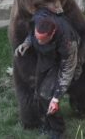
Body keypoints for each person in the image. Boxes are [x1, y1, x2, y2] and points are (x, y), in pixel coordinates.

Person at [15, 8, 81, 136]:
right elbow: (32, 35)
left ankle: (57, 130)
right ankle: (47, 123)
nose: (38, 42)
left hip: (62, 62)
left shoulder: (68, 42)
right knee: (38, 91)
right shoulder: (38, 19)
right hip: (47, 57)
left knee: (47, 96)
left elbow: (67, 71)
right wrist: (26, 44)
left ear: (53, 33)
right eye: (37, 38)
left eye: (42, 40)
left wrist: (56, 98)